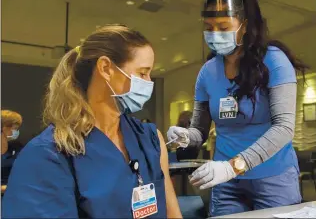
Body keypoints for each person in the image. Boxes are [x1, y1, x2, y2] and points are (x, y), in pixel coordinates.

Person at [3, 25, 182, 218]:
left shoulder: (150, 139)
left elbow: (172, 213)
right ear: (106, 68)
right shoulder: (49, 155)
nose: (148, 82)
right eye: (142, 73)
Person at [167, 0, 309, 217]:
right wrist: (184, 137)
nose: (214, 34)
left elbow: (284, 128)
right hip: (226, 183)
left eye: (223, 27)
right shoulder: (207, 72)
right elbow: (199, 132)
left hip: (273, 178)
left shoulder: (274, 61)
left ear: (245, 25)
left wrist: (234, 167)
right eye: (209, 27)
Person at [1, 110, 22, 194]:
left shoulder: (17, 147)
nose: (16, 132)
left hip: (13, 195)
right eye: (15, 129)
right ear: (4, 128)